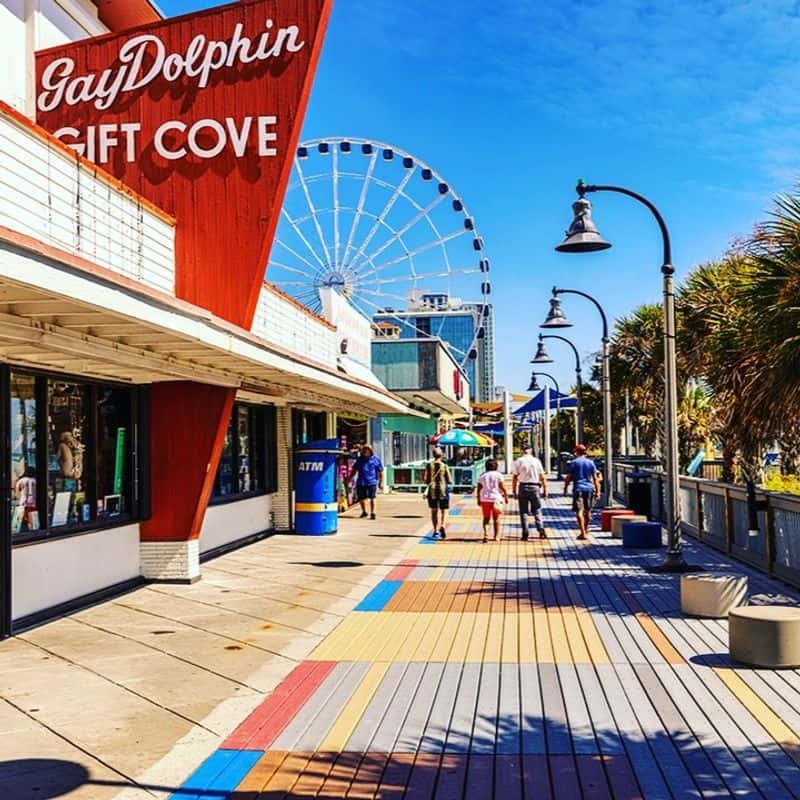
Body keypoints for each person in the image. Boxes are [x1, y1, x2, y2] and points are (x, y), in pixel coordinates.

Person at [563, 444, 600, 540]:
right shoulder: (590, 463)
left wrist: (565, 488)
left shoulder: (574, 463)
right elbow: (595, 478)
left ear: (576, 452)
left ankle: (582, 532)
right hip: (589, 488)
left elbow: (568, 477)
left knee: (579, 511)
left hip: (578, 488)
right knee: (588, 510)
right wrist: (598, 492)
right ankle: (586, 530)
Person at [511, 444, 548, 540]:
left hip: (523, 486)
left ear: (521, 450)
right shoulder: (536, 461)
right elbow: (542, 477)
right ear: (531, 450)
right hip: (535, 486)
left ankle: (525, 532)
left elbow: (515, 477)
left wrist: (514, 491)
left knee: (524, 511)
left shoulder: (518, 461)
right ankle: (540, 528)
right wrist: (545, 490)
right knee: (537, 509)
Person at [476, 458, 508, 543]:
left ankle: (486, 534)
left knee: (486, 518)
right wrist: (506, 496)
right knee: (496, 519)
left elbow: (479, 488)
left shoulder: (482, 475)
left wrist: (478, 498)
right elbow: (502, 487)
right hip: (496, 499)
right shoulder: (499, 475)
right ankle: (496, 536)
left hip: (485, 499)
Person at [423, 447, 452, 539]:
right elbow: (450, 480)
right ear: (442, 455)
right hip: (443, 490)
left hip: (432, 490)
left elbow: (425, 479)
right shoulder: (444, 466)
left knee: (434, 511)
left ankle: (435, 531)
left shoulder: (429, 465)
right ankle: (443, 525)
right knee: (444, 510)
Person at [349, 445, 384, 519]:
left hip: (372, 482)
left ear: (371, 451)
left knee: (372, 497)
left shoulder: (376, 459)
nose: (366, 452)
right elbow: (354, 470)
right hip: (361, 482)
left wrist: (381, 482)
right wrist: (349, 479)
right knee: (361, 498)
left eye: (368, 450)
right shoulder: (359, 459)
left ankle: (373, 512)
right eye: (365, 450)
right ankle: (364, 512)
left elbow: (381, 471)